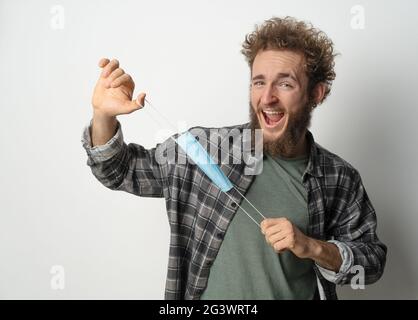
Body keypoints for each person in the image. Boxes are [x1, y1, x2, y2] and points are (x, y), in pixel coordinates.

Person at [81, 16, 387, 300]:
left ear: (316, 94)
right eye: (258, 81)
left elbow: (370, 265)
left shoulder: (338, 177)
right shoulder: (205, 150)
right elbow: (118, 172)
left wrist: (312, 247)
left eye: (285, 83)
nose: (267, 97)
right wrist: (102, 116)